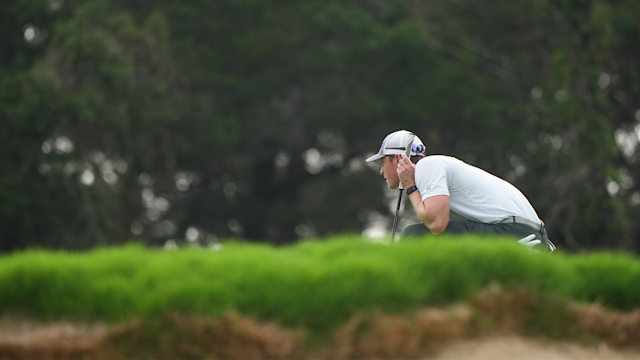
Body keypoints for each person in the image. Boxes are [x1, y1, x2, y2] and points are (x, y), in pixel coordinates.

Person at [366, 130, 555, 252]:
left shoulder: (427, 165)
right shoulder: (432, 173)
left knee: (412, 236)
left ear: (398, 158)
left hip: (517, 233)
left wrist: (410, 187)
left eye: (383, 162)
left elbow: (437, 224)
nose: (381, 170)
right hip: (529, 232)